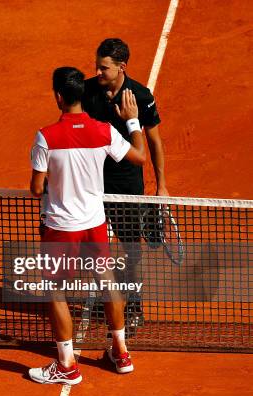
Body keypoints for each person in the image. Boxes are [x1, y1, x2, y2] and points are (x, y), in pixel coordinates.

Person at [27, 67, 146, 385]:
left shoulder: (46, 136)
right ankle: (120, 353)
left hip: (62, 227)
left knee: (55, 289)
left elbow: (37, 188)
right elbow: (139, 156)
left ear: (58, 97)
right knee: (107, 279)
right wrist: (132, 120)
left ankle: (66, 365)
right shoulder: (104, 130)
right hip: (95, 222)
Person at [82, 38, 168, 329]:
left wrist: (161, 185)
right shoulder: (88, 91)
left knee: (131, 248)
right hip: (92, 183)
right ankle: (108, 297)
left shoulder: (141, 96)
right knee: (94, 246)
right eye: (97, 66)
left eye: (104, 68)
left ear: (122, 67)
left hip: (127, 186)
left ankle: (134, 304)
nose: (98, 72)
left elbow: (154, 142)